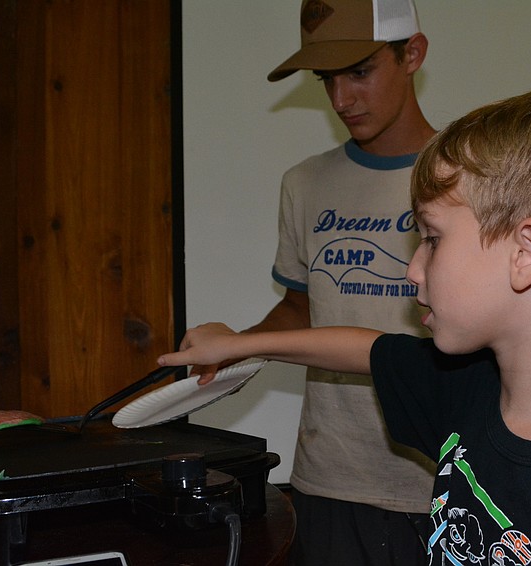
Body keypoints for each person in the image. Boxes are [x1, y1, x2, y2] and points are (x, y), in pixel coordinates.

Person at [160, 86, 531, 564]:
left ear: (528, 252)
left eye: (431, 238)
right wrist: (238, 344)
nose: (414, 269)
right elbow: (364, 348)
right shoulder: (469, 385)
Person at [189, 1, 437, 564]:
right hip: (327, 484)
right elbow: (302, 307)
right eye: (328, 79)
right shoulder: (305, 184)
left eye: (360, 72)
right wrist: (237, 346)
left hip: (438, 484)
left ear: (413, 54)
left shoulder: (469, 173)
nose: (341, 99)